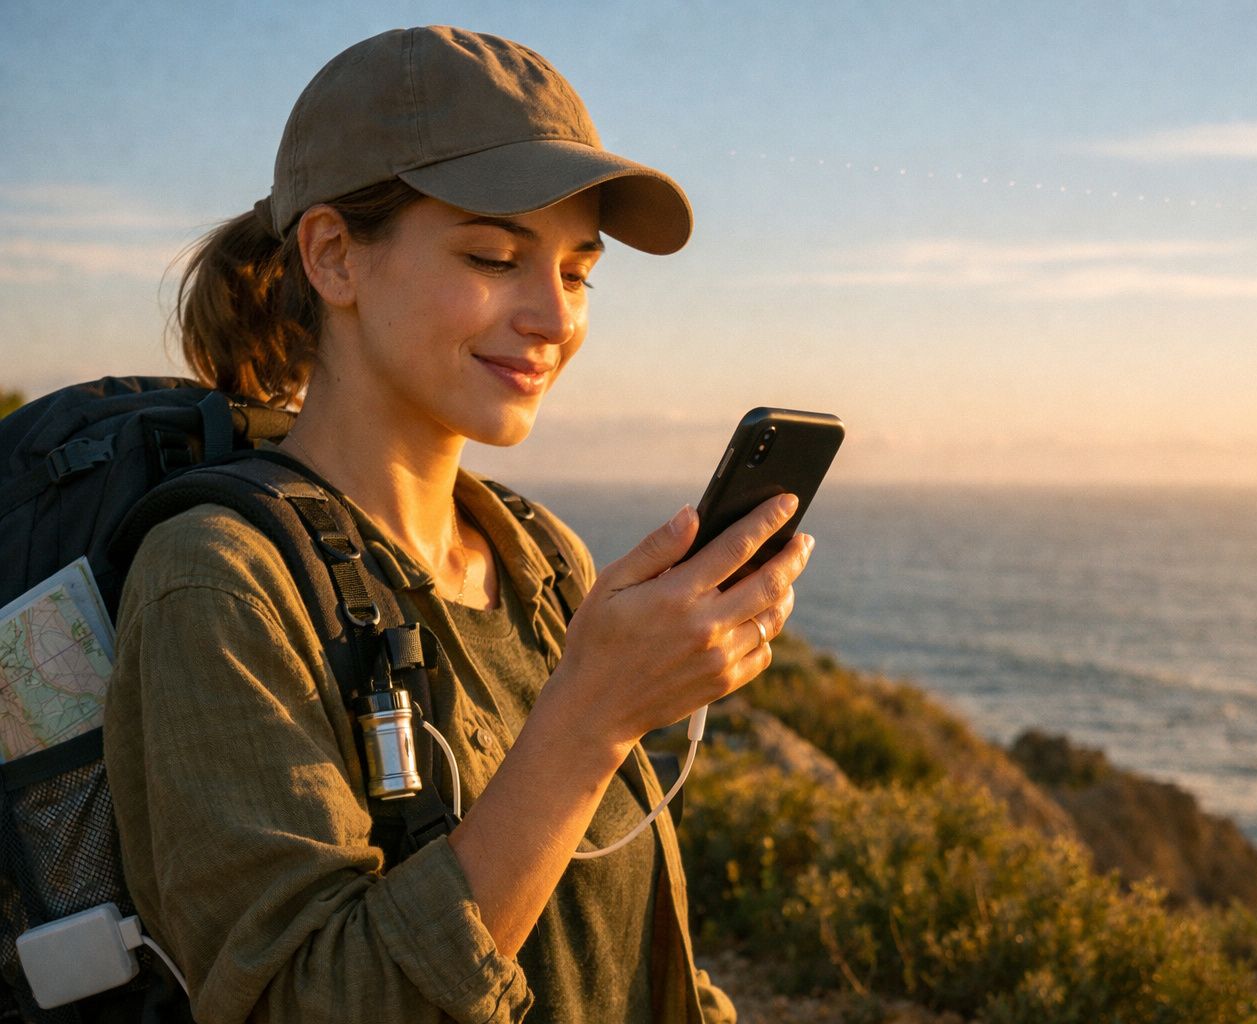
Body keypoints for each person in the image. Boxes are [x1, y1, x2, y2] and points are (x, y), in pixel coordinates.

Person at [103, 25, 813, 1024]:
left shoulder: (542, 556)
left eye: (576, 271)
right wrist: (593, 717)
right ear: (334, 256)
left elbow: (612, 943)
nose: (555, 319)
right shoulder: (217, 582)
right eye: (493, 256)